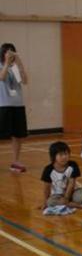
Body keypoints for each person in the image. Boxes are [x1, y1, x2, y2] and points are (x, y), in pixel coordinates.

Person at [41, 142, 82, 212]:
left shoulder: (73, 165)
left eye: (66, 154)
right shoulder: (48, 170)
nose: (64, 157)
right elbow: (46, 188)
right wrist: (45, 202)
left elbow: (71, 184)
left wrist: (66, 198)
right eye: (61, 155)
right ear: (53, 157)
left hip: (74, 191)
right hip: (57, 195)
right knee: (50, 202)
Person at [0, 43, 29, 172]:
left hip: (17, 105)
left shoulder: (15, 67)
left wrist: (19, 63)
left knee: (17, 135)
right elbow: (2, 77)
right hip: (3, 105)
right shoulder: (1, 65)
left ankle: (16, 161)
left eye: (13, 52)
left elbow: (25, 81)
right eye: (8, 52)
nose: (11, 54)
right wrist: (6, 62)